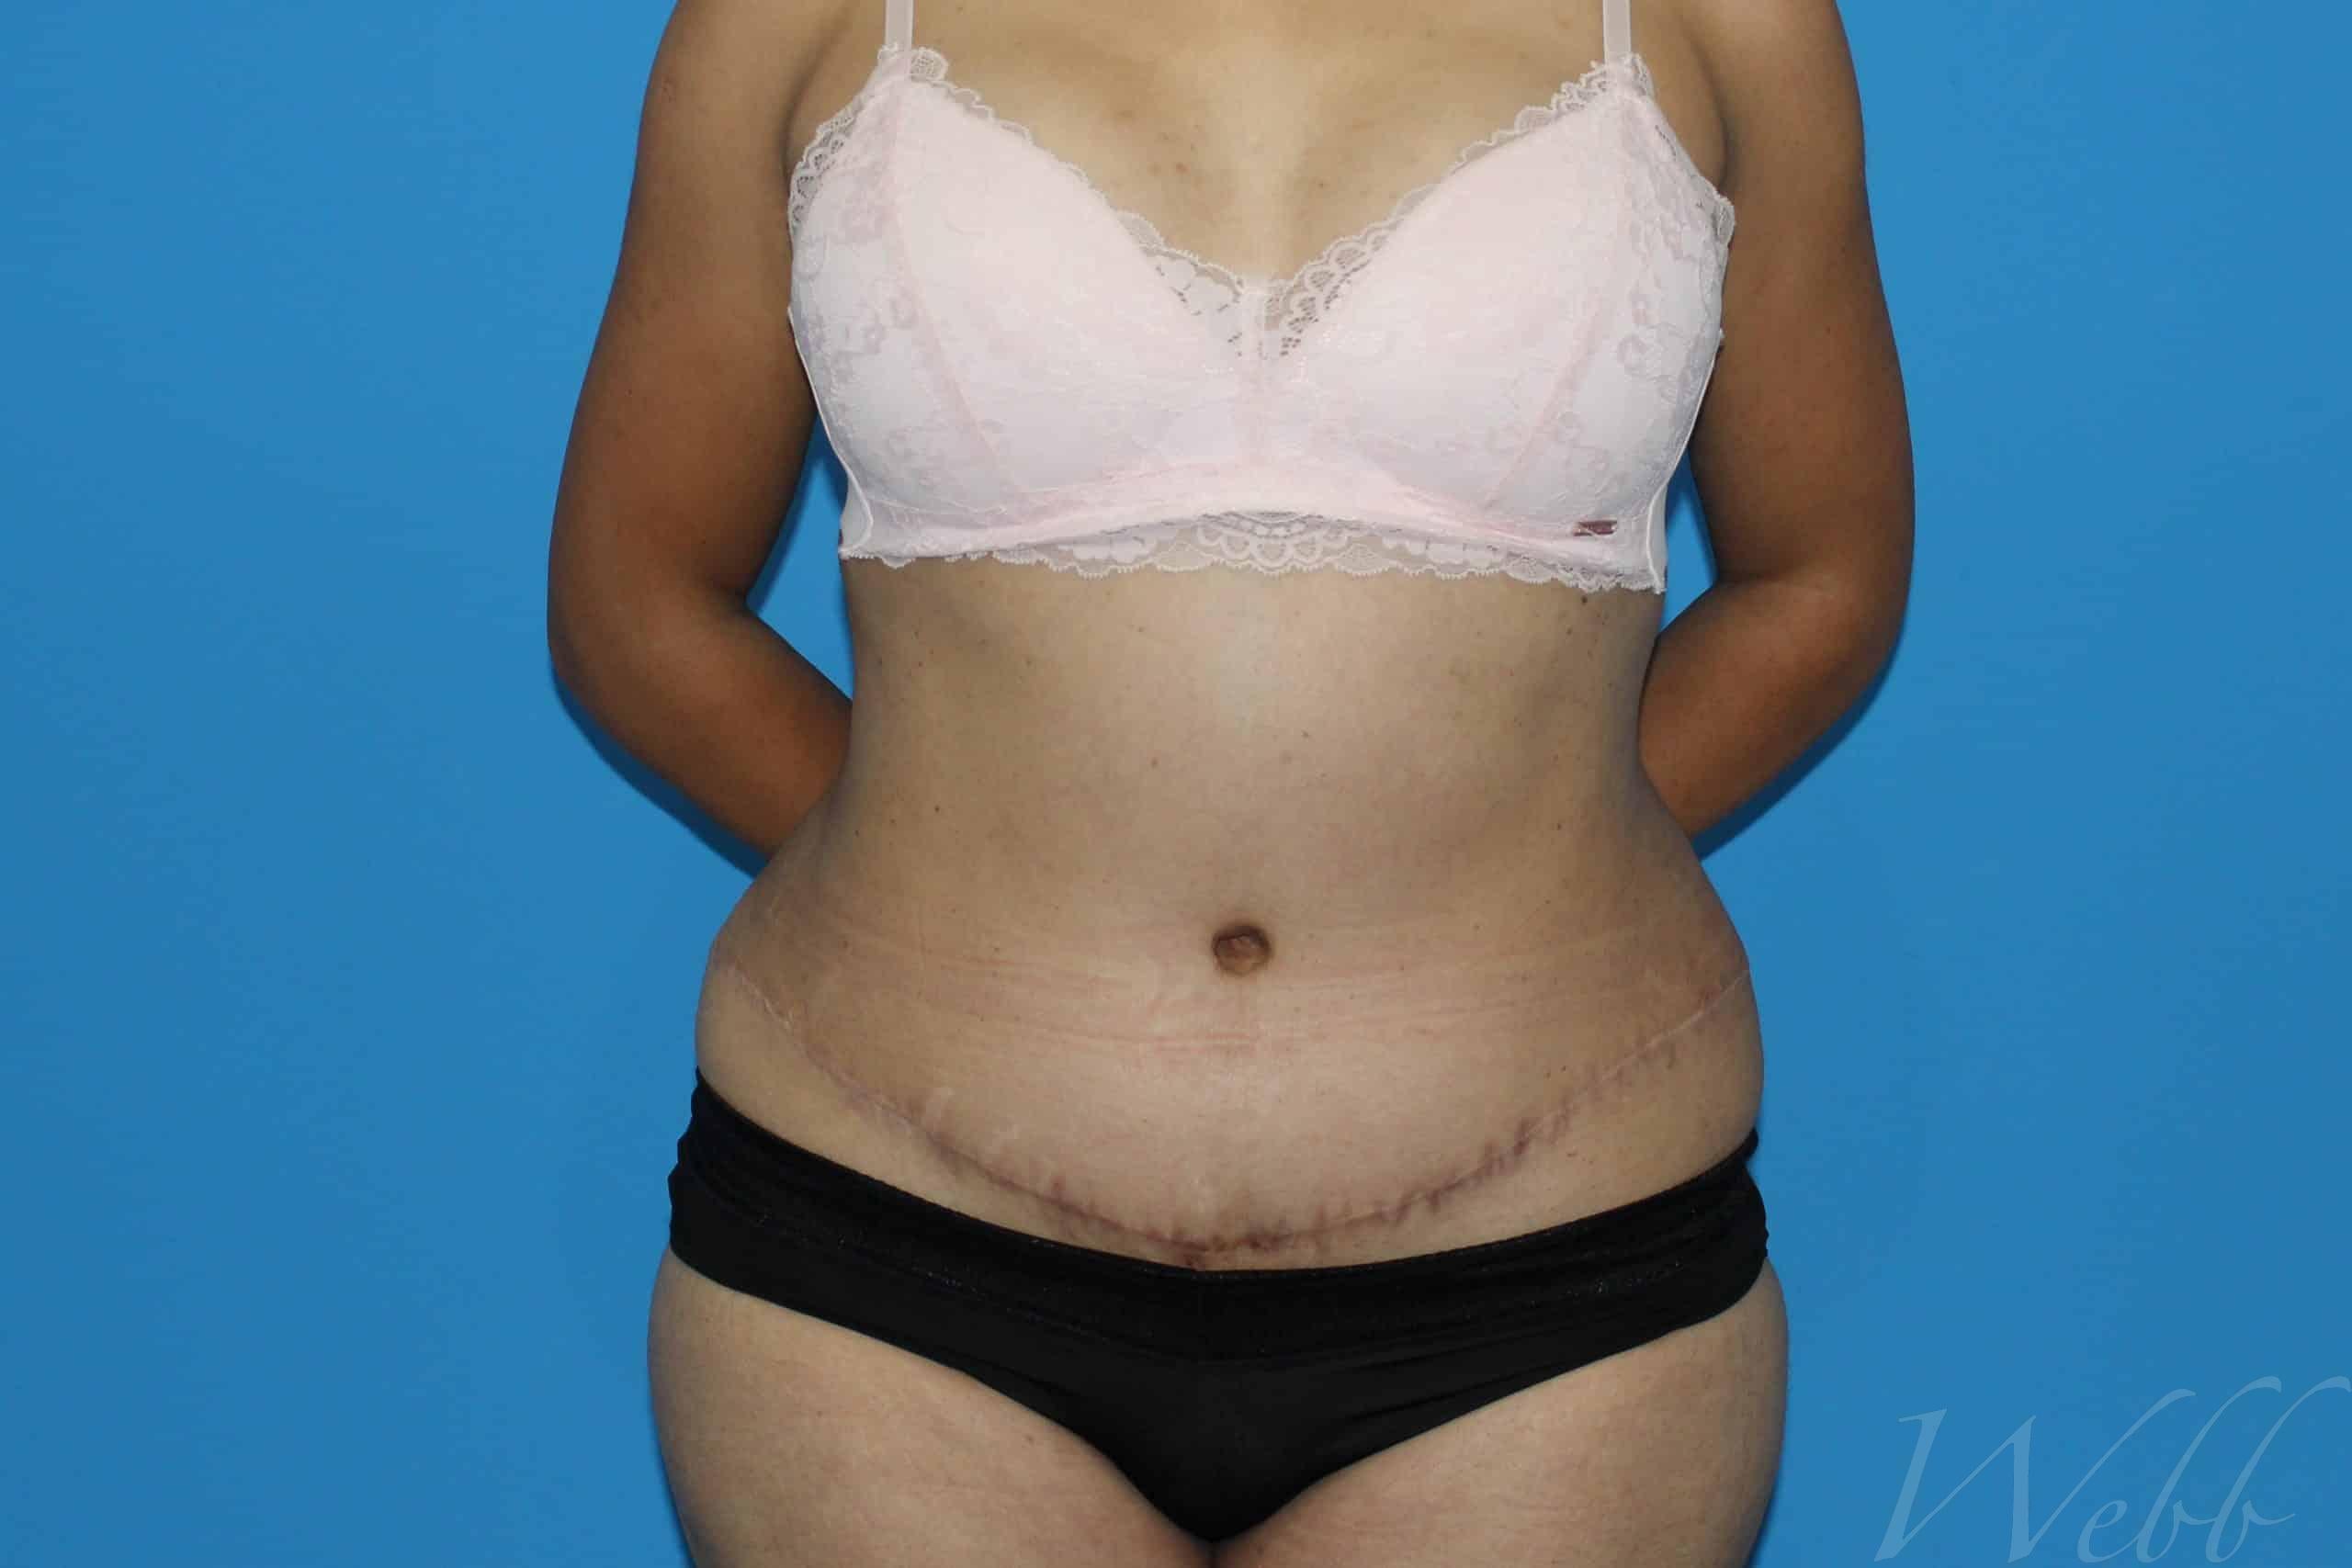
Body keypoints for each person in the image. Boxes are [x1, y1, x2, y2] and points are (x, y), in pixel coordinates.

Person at [547, 0, 1911, 1559]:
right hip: (883, 1260)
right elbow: (635, 604)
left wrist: (1504, 849)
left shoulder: (1732, 24)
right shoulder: (788, 20)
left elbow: (1821, 581)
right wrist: (966, 874)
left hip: (1557, 1274)